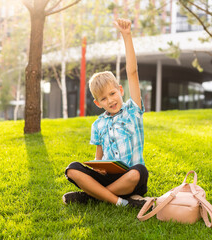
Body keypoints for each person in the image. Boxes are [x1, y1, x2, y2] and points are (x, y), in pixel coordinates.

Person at [63, 18, 148, 208]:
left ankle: (93, 196)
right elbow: (98, 158)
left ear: (120, 90)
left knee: (138, 171)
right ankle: (120, 202)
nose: (110, 100)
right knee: (72, 169)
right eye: (103, 98)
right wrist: (98, 167)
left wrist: (127, 36)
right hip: (108, 178)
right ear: (97, 103)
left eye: (112, 93)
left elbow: (132, 73)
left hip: (131, 179)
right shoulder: (98, 125)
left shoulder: (132, 110)